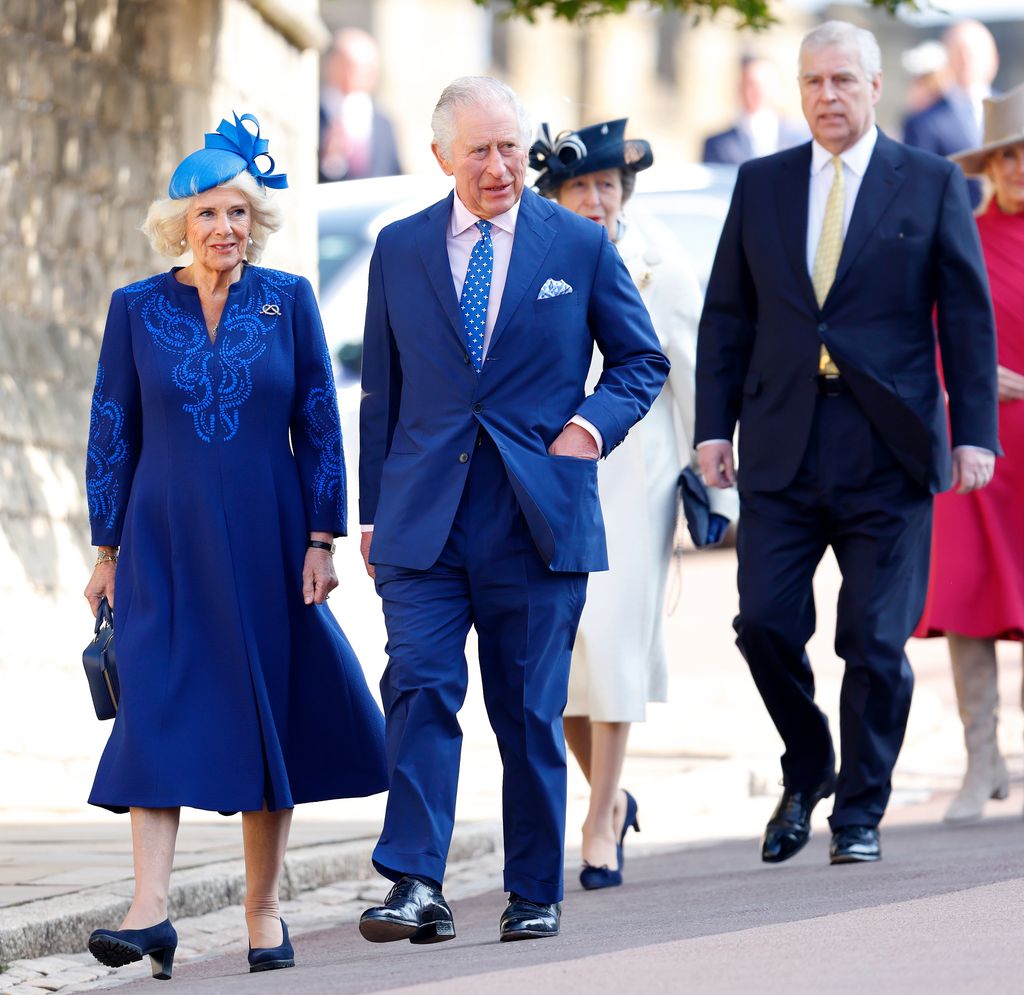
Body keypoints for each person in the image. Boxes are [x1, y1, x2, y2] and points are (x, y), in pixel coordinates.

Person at [357, 77, 668, 943]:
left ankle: (534, 887)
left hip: (536, 513)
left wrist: (585, 430)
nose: (499, 167)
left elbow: (641, 362)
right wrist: (373, 510)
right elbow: (381, 393)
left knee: (528, 709)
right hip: (424, 514)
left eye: (511, 148)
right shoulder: (398, 247)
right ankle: (416, 880)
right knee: (419, 685)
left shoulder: (575, 243)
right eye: (479, 150)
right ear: (440, 156)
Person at [82, 113, 388, 979]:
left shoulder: (287, 300)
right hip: (161, 540)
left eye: (239, 214)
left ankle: (264, 910)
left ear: (256, 221)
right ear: (178, 221)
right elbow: (111, 432)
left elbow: (321, 424)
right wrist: (104, 550)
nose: (225, 229)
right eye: (209, 213)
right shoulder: (135, 309)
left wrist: (323, 536)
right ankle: (150, 910)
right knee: (156, 705)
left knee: (266, 715)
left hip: (270, 536)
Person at [696, 21, 998, 867]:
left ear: (875, 86)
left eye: (843, 81)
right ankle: (810, 762)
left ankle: (859, 809)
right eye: (813, 82)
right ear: (800, 92)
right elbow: (729, 315)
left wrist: (975, 433)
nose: (827, 97)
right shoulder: (761, 184)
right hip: (784, 439)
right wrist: (714, 427)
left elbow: (968, 320)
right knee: (761, 623)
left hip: (889, 446)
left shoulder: (931, 181)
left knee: (872, 641)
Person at [530, 118, 735, 890]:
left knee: (612, 638)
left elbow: (690, 377)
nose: (595, 199)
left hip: (638, 477)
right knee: (566, 653)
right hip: (553, 480)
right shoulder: (537, 260)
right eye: (580, 185)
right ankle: (609, 794)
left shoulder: (662, 269)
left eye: (607, 186)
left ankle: (598, 818)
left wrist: (713, 487)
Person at [915, 83, 1024, 824]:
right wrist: (970, 380)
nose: (1020, 167)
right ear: (989, 163)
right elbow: (922, 330)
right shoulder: (961, 234)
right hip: (977, 442)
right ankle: (982, 755)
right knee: (969, 601)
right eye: (1009, 155)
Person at [903, 20, 999, 206]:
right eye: (959, 52)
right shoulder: (923, 123)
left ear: (994, 57)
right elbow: (919, 189)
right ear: (948, 57)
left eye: (974, 51)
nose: (967, 60)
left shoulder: (1013, 110)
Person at [319, 28, 402, 182]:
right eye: (352, 66)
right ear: (332, 65)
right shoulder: (313, 115)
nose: (361, 74)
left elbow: (395, 173)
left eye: (369, 67)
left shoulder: (383, 122)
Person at [702, 55, 808, 165]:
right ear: (740, 88)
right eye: (751, 84)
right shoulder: (718, 145)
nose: (758, 91)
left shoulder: (800, 139)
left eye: (765, 85)